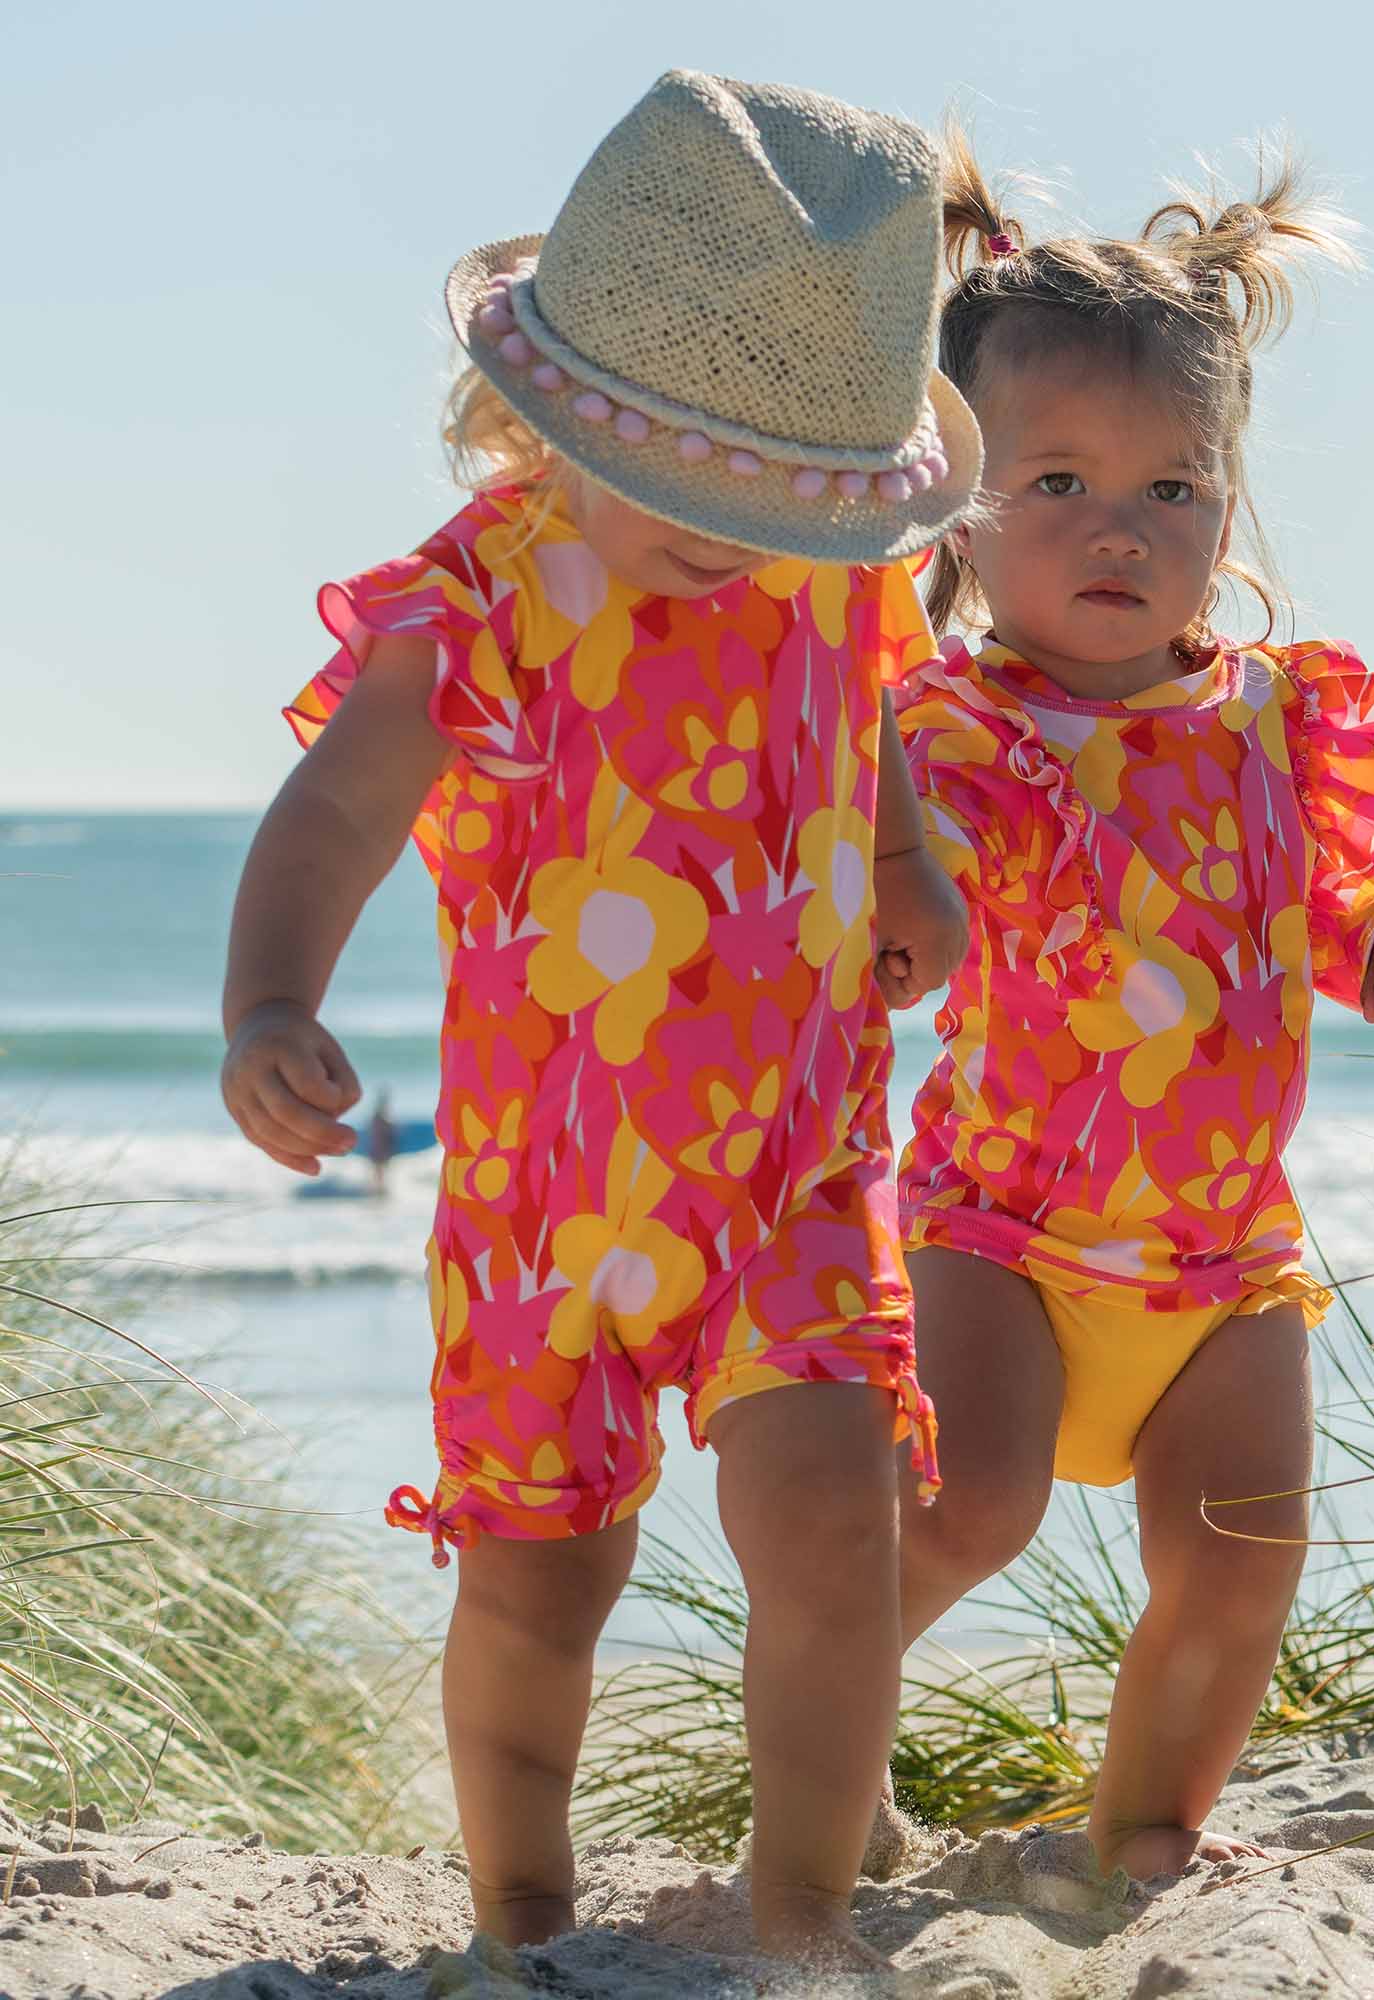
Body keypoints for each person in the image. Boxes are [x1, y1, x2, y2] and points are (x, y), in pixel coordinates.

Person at [219, 71, 978, 1971]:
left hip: (794, 1162)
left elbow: (869, 749)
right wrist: (268, 1003)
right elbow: (338, 808)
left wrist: (905, 872)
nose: (735, 529)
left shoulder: (833, 579)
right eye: (690, 477)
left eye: (780, 486)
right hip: (547, 1198)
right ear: (554, 415)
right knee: (539, 1579)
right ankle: (523, 1913)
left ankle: (801, 1916)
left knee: (826, 1513)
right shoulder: (481, 590)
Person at [891, 136, 1374, 1884]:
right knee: (962, 1513)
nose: (1117, 529)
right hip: (999, 1231)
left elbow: (1329, 893)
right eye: (1056, 479)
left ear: (1226, 504)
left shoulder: (1279, 724)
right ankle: (832, 1742)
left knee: (1241, 1563)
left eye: (1171, 489)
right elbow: (899, 897)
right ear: (957, 500)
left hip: (1224, 1260)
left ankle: (1141, 1839)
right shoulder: (945, 735)